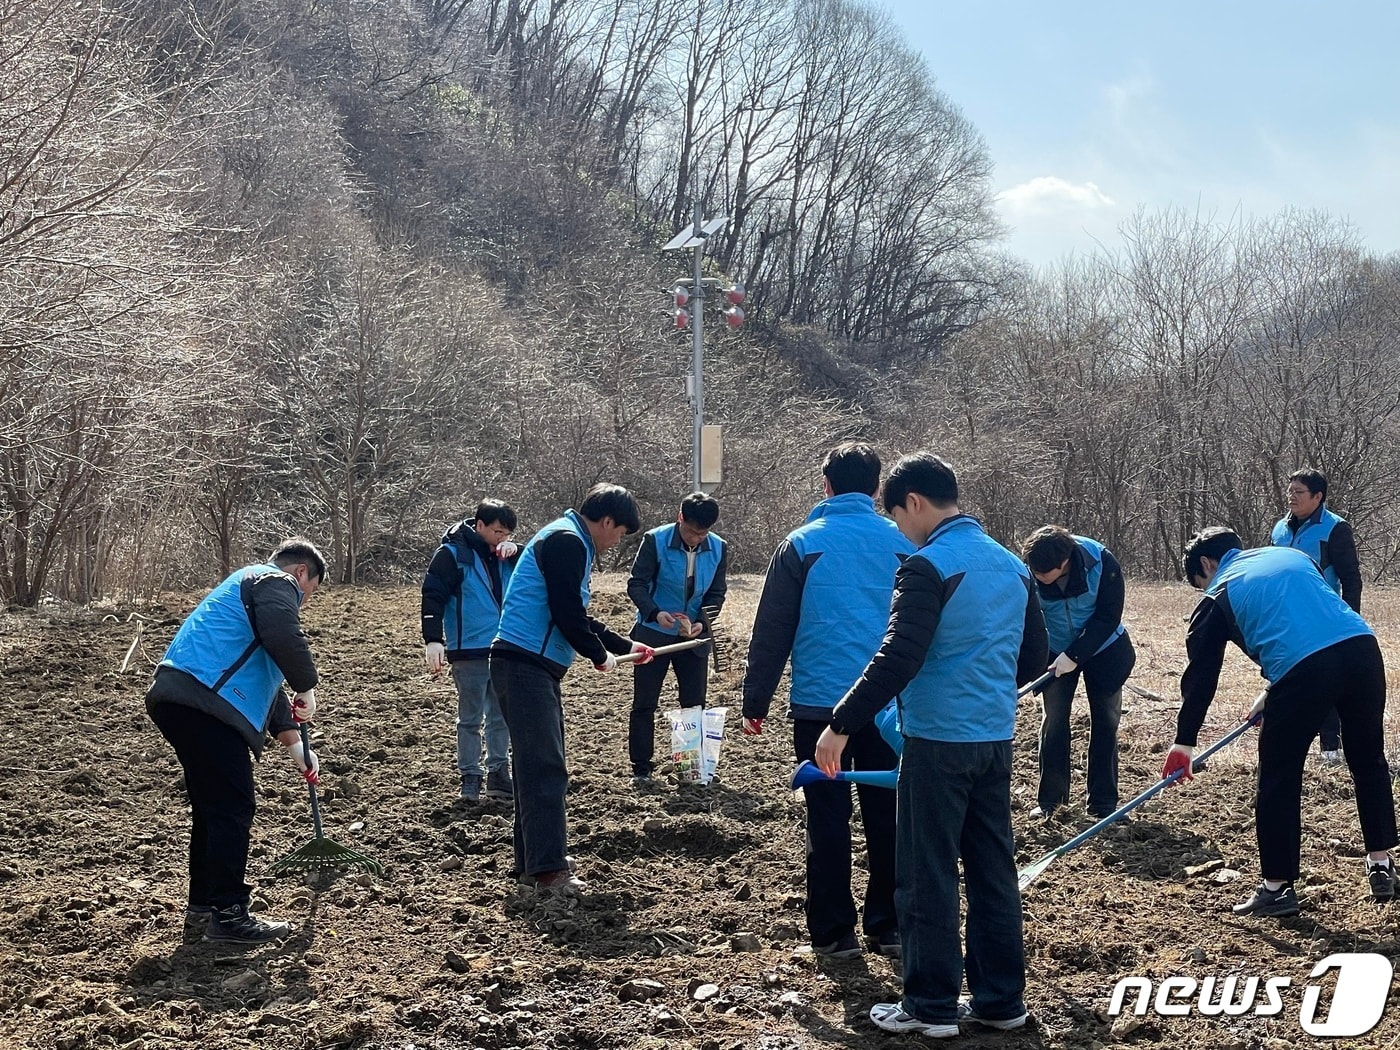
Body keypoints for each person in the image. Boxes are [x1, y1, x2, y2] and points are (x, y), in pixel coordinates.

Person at [813, 453, 1048, 1038]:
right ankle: (1000, 1000)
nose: (898, 529)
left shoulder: (927, 566)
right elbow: (1033, 660)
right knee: (993, 870)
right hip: (995, 740)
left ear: (913, 502)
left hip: (937, 740)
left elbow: (899, 655)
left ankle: (930, 1005)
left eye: (896, 516)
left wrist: (842, 722)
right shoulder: (1011, 567)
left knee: (926, 873)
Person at [1165, 527, 1397, 918]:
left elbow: (1202, 676)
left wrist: (1184, 741)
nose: (1202, 587)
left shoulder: (1217, 593)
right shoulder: (1291, 556)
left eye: (1199, 581)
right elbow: (1303, 619)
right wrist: (1272, 691)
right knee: (1368, 760)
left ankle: (1277, 887)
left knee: (1278, 775)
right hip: (1362, 650)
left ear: (1207, 564)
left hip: (1305, 670)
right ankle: (1381, 862)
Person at [740, 442, 914, 960]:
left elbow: (773, 627)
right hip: (889, 704)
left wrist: (757, 698)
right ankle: (888, 924)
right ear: (878, 488)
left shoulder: (800, 544)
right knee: (890, 814)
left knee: (826, 816)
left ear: (826, 485)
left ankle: (834, 932)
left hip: (819, 706)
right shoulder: (906, 542)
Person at [146, 537, 328, 943]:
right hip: (205, 700)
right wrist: (308, 687)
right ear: (301, 573)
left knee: (213, 808)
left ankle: (204, 906)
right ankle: (229, 914)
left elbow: (266, 680)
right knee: (232, 805)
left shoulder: (243, 595)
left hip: (180, 696)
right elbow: (285, 637)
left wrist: (298, 748)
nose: (302, 604)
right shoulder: (274, 581)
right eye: (308, 594)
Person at [489, 484, 654, 890]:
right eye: (619, 533)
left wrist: (625, 645)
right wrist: (599, 656)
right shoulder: (567, 542)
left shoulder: (566, 538)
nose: (616, 542)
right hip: (524, 665)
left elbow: (577, 615)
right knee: (545, 767)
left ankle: (535, 864)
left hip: (528, 666)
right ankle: (548, 871)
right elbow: (567, 615)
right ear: (606, 521)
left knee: (535, 766)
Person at [1020, 525, 1135, 819]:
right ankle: (1051, 802)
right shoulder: (1026, 573)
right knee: (1054, 721)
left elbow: (1109, 616)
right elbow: (1024, 620)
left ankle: (1103, 804)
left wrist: (1075, 654)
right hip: (1053, 650)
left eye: (1045, 572)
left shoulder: (1102, 562)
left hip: (1104, 648)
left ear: (1065, 562)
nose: (1038, 576)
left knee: (1106, 721)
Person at [421, 499, 522, 803]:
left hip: (503, 647)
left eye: (507, 534)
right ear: (479, 526)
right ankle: (470, 775)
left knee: (501, 716)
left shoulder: (508, 556)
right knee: (469, 717)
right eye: (497, 532)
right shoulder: (452, 555)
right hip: (467, 650)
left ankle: (499, 773)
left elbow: (531, 576)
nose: (501, 538)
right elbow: (432, 596)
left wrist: (517, 552)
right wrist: (433, 639)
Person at [626, 492, 728, 786]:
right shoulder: (654, 540)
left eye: (703, 533)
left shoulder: (719, 548)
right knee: (645, 702)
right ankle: (642, 768)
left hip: (693, 640)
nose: (696, 538)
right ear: (680, 518)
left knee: (693, 704)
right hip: (654, 634)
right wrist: (655, 613)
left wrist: (701, 623)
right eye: (691, 531)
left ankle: (691, 767)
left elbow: (716, 593)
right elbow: (637, 584)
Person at [1271, 469, 1363, 767]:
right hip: (1285, 617)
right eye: (1290, 491)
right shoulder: (1279, 529)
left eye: (1299, 492)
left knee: (1327, 679)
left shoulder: (1335, 528)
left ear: (1318, 496)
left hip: (1322, 618)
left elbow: (1351, 578)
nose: (1291, 497)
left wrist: (1349, 619)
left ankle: (1331, 748)